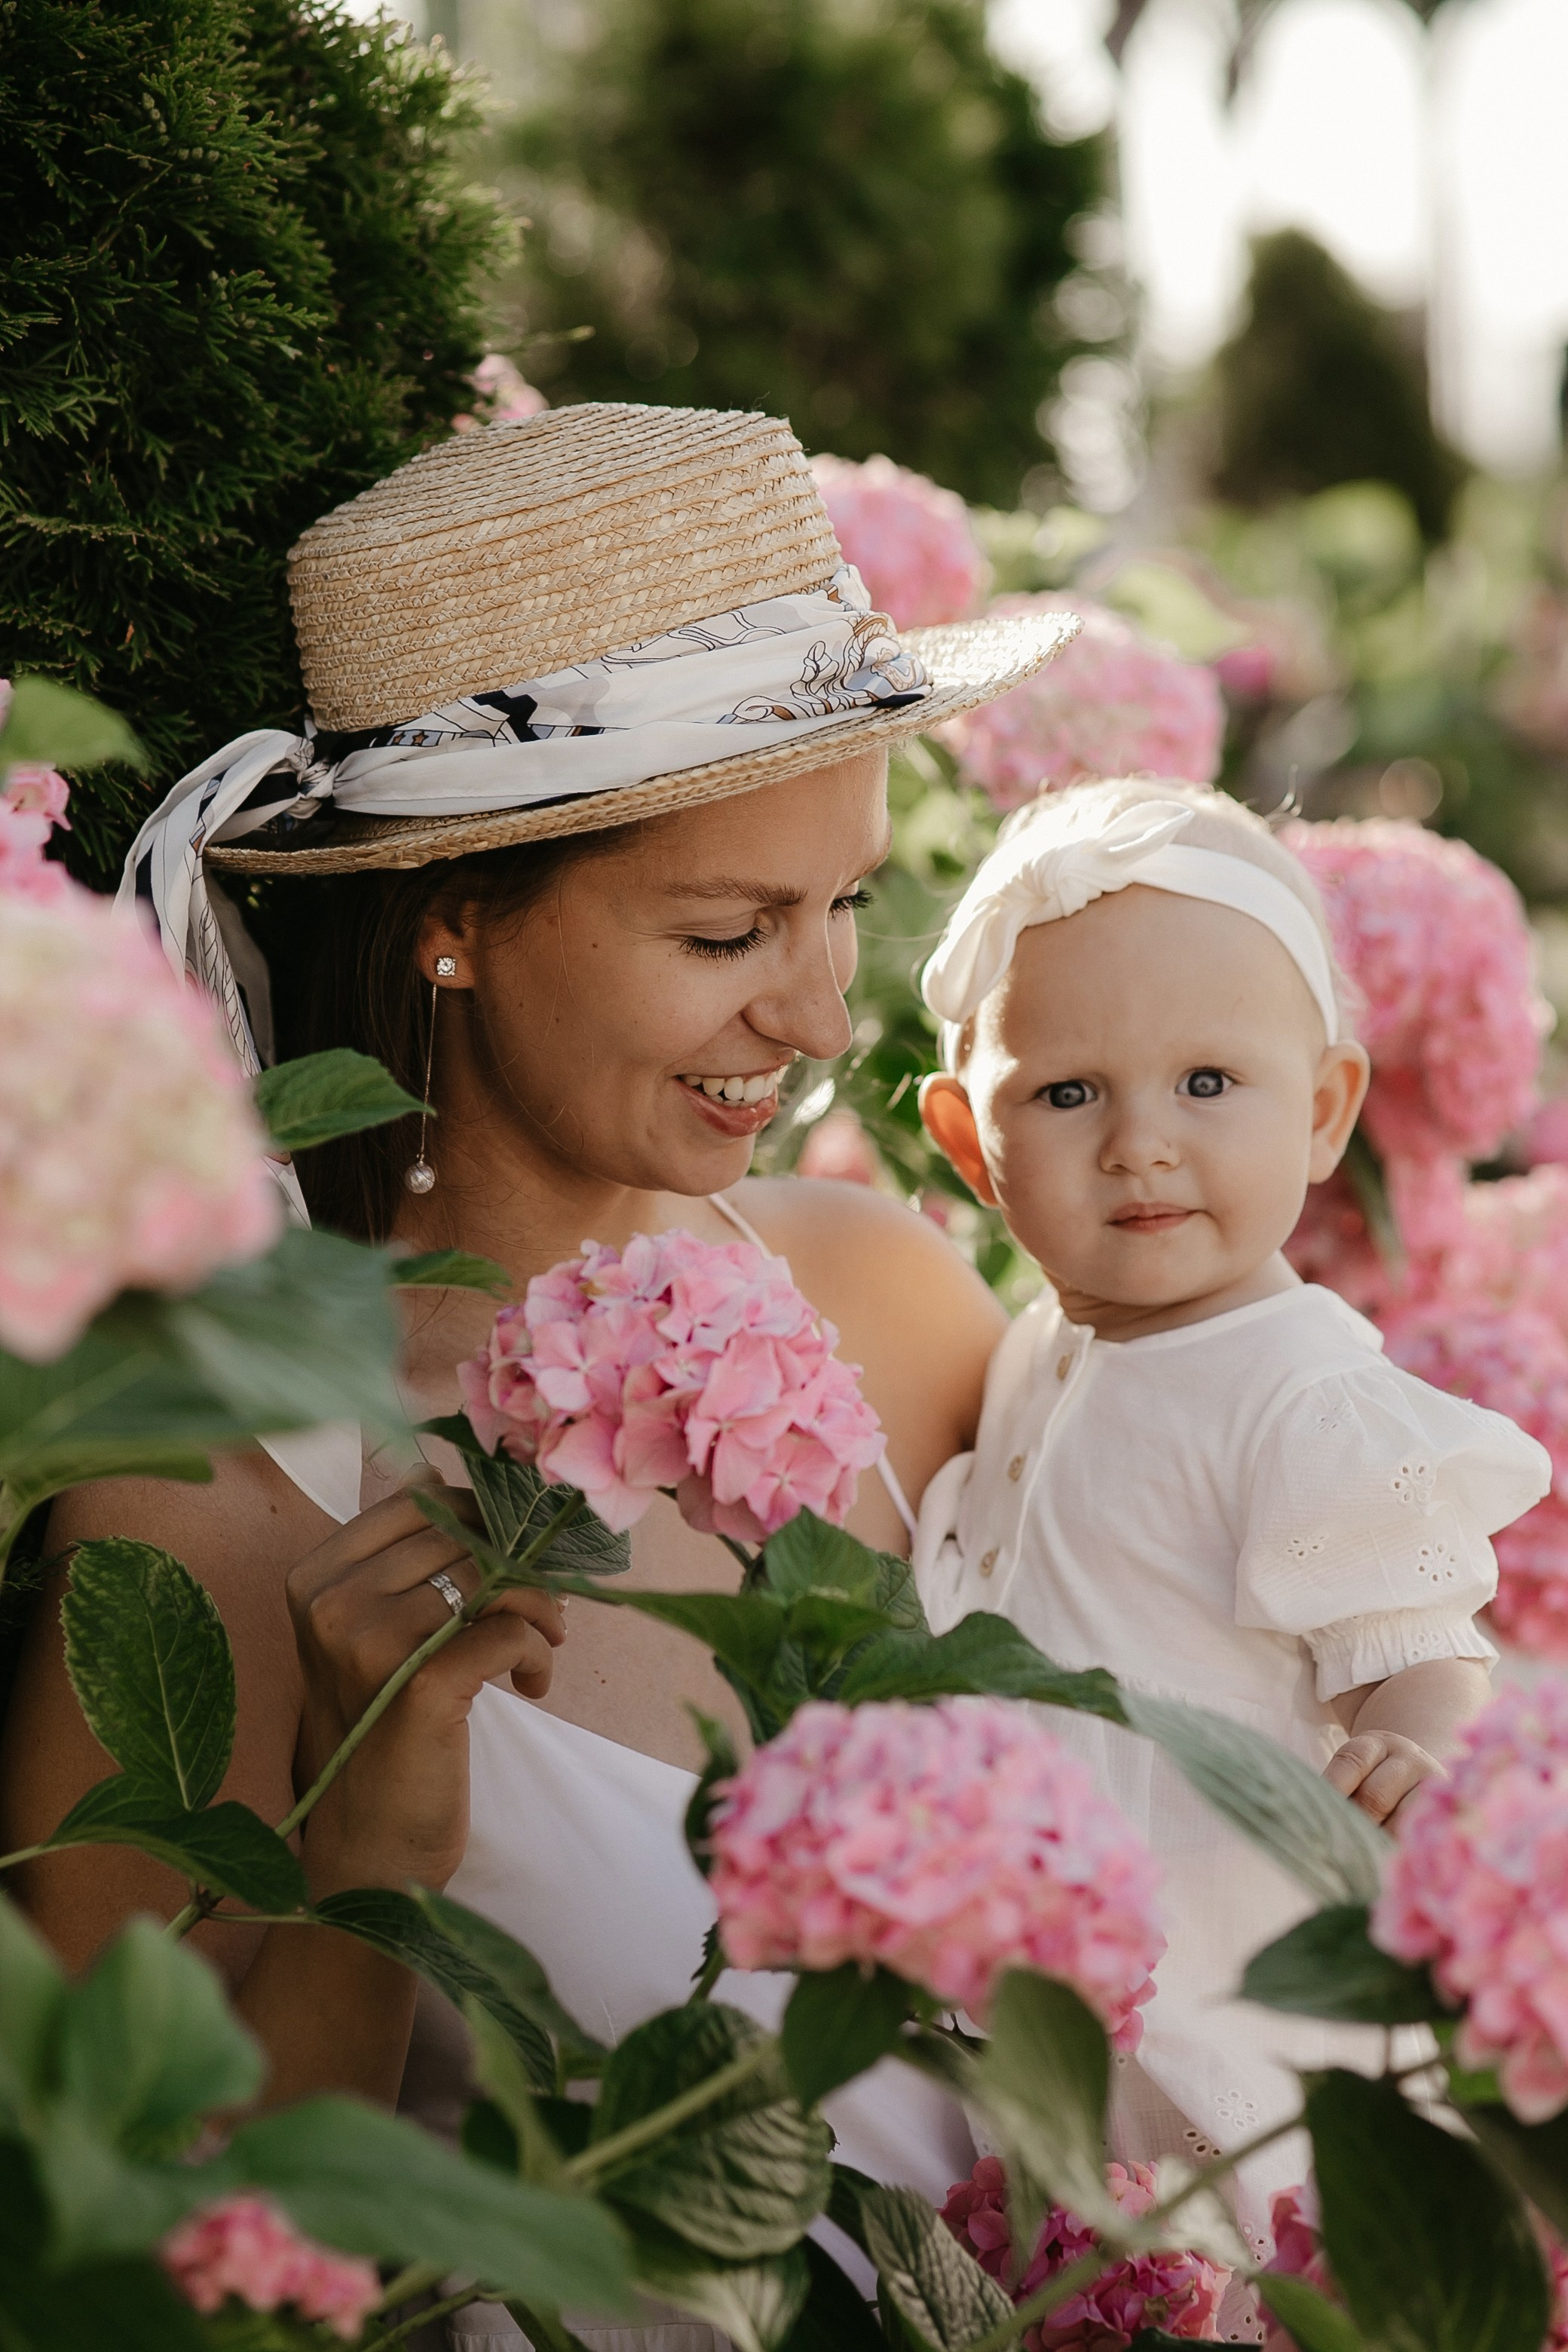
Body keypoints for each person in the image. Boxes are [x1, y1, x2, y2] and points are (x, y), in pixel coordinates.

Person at [0, 404, 1074, 2350]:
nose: (823, 1010)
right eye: (729, 930)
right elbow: (130, 2285)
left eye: (845, 906)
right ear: (454, 925)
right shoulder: (212, 1506)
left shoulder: (888, 1299)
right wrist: (369, 1854)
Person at [912, 775, 1553, 2295]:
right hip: (1059, 2024)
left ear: (1323, 1110)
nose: (1141, 1144)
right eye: (1067, 1094)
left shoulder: (1298, 1396)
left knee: (1209, 2277)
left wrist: (1408, 1737)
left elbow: (1416, 1644)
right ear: (961, 1135)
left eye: (1207, 1083)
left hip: (1229, 2036)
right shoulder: (1026, 1356)